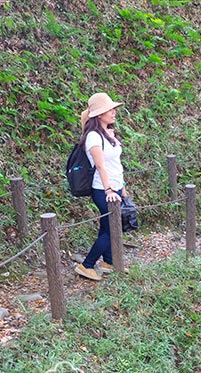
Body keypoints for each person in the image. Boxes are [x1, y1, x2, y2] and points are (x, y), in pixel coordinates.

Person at [75, 92, 127, 281]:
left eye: (113, 109)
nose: (113, 112)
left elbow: (115, 164)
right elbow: (100, 165)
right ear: (98, 115)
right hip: (103, 190)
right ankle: (86, 265)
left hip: (114, 187)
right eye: (109, 109)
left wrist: (121, 186)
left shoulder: (107, 134)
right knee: (112, 228)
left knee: (108, 226)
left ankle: (108, 262)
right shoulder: (93, 137)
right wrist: (109, 190)